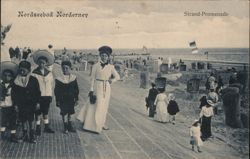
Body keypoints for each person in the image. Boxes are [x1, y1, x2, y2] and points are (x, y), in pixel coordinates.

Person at [78, 46, 120, 133]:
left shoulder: (111, 67)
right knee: (95, 104)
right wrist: (91, 89)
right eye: (102, 55)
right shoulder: (95, 66)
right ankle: (92, 125)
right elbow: (92, 78)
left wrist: (111, 81)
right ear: (100, 56)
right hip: (97, 86)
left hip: (106, 88)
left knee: (104, 106)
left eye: (106, 56)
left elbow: (118, 77)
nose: (104, 57)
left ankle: (102, 123)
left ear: (108, 57)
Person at [12, 61, 41, 143]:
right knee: (23, 119)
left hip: (31, 103)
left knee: (31, 119)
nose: (22, 71)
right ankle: (25, 134)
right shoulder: (16, 81)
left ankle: (32, 134)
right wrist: (16, 104)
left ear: (29, 70)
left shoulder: (33, 80)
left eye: (24, 70)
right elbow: (14, 94)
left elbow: (38, 92)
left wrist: (38, 102)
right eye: (21, 70)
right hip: (21, 104)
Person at [32, 50, 55, 136]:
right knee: (37, 112)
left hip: (47, 95)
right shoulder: (34, 73)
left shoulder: (49, 73)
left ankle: (46, 126)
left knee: (45, 112)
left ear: (46, 63)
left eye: (43, 63)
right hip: (38, 96)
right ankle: (38, 127)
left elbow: (51, 84)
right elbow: (33, 86)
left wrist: (50, 95)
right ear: (38, 63)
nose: (42, 64)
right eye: (40, 62)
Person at [54, 61, 79, 134]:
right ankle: (65, 127)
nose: (65, 70)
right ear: (61, 68)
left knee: (70, 113)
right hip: (62, 99)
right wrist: (57, 100)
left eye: (67, 68)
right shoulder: (59, 79)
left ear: (70, 68)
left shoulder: (73, 78)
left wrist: (76, 99)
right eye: (63, 68)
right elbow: (56, 91)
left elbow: (76, 89)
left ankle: (70, 126)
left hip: (71, 99)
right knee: (64, 113)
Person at [0, 61, 20, 142]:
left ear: (12, 77)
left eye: (9, 76)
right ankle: (2, 134)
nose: (7, 77)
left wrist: (16, 105)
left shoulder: (13, 86)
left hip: (11, 106)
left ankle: (13, 135)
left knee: (13, 121)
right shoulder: (0, 85)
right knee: (2, 120)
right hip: (2, 106)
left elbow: (16, 97)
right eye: (5, 75)